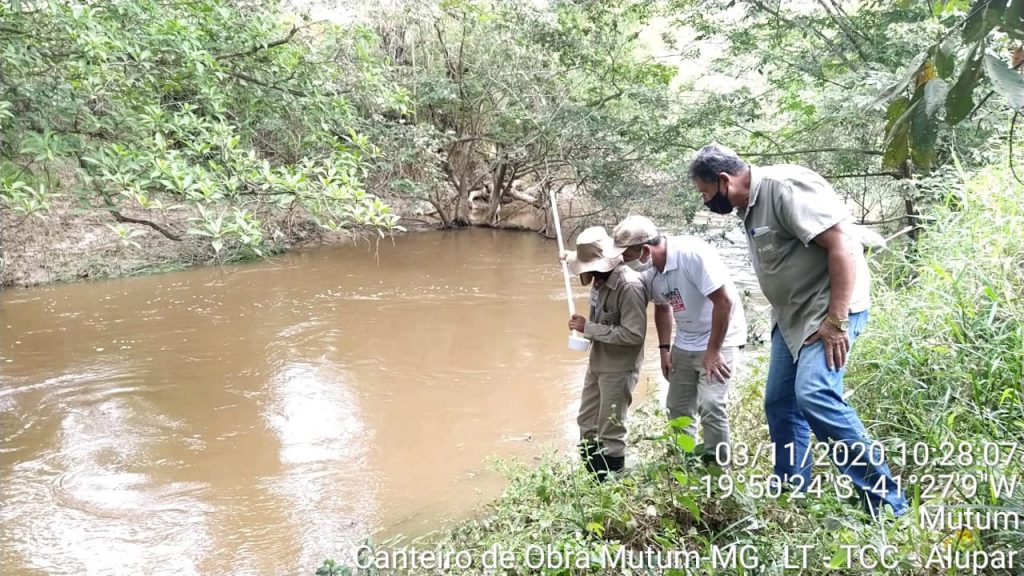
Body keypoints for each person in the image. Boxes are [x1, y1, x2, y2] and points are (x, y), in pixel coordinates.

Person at [687, 143, 908, 517]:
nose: (707, 202)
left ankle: (887, 502)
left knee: (815, 394)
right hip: (791, 318)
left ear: (724, 180)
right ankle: (791, 493)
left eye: (707, 194)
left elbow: (842, 245)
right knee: (780, 403)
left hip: (828, 310)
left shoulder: (784, 187)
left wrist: (836, 321)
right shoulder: (748, 205)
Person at [612, 215, 746, 465]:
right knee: (677, 407)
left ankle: (716, 470)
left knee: (711, 404)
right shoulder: (652, 272)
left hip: (722, 338)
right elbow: (663, 307)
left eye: (627, 256)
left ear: (644, 251)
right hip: (686, 340)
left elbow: (724, 302)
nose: (625, 261)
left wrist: (713, 351)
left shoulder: (692, 254)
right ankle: (683, 463)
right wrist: (665, 349)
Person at [562, 226, 648, 479]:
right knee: (586, 422)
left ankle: (613, 486)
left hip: (619, 368)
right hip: (597, 362)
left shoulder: (629, 286)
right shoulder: (599, 280)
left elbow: (634, 335)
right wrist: (568, 256)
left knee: (610, 429)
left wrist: (588, 328)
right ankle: (593, 480)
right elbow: (573, 259)